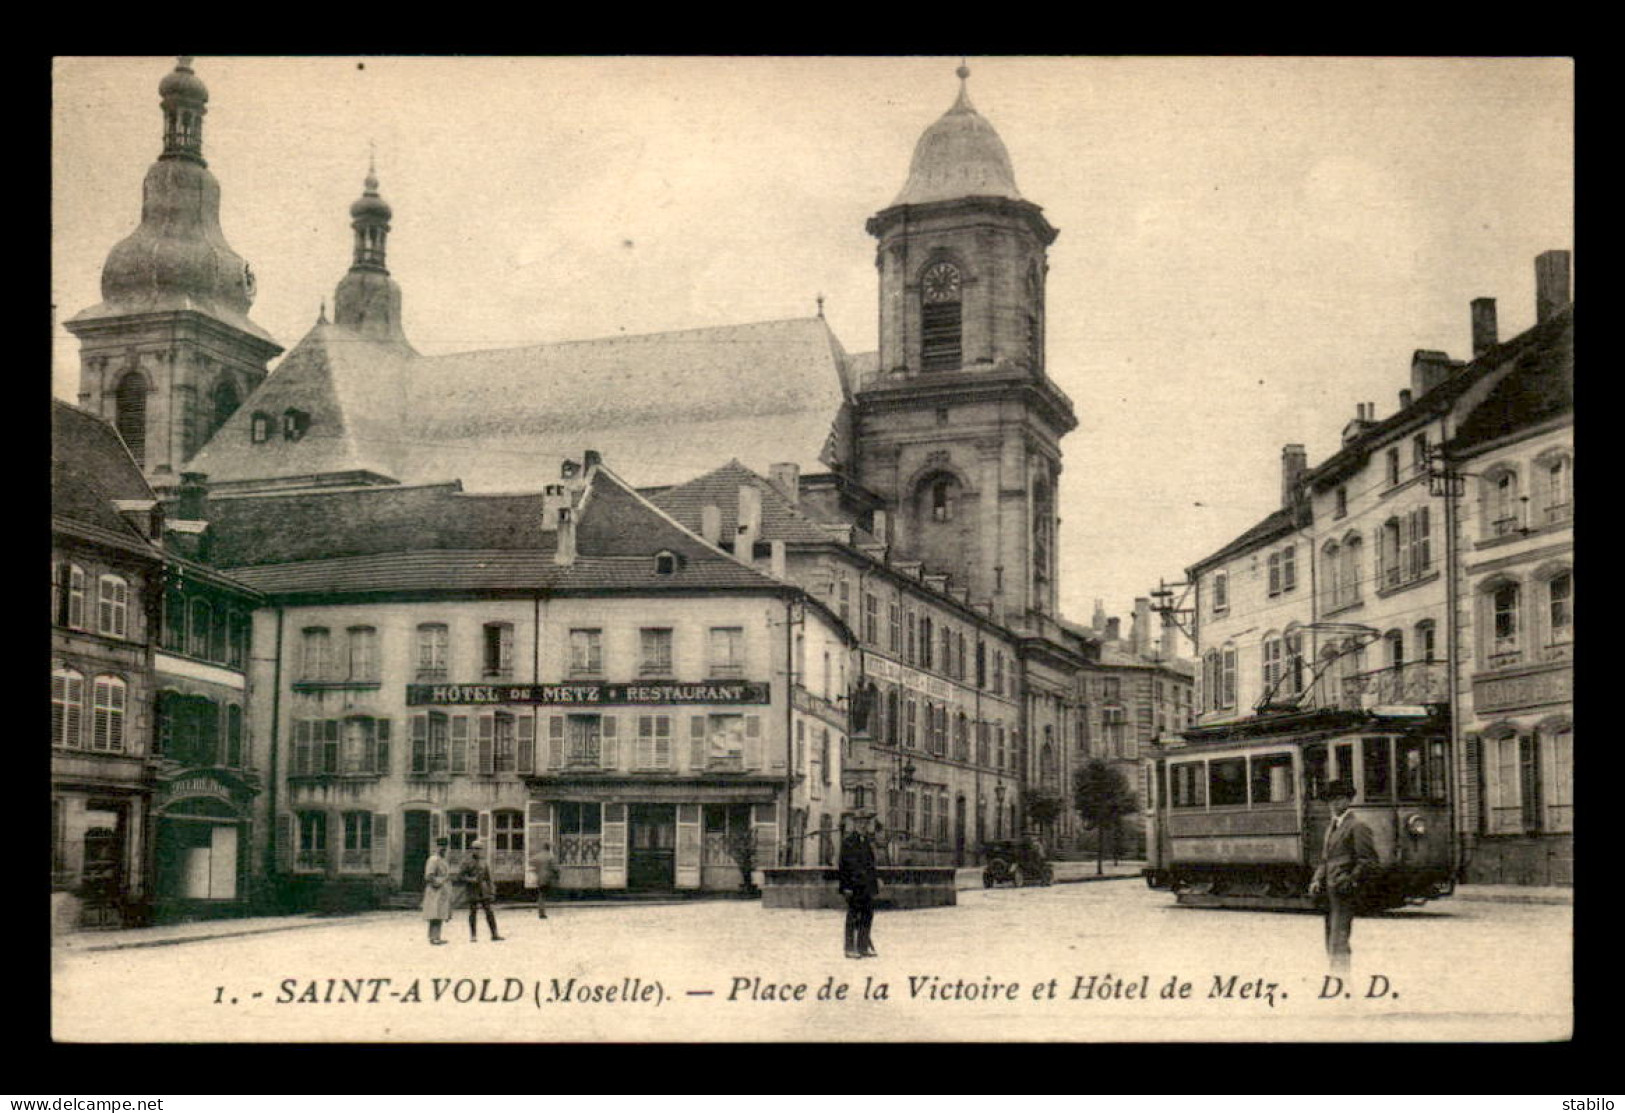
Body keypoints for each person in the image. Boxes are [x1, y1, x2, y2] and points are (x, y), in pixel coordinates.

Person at [1308, 779, 1379, 972]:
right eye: (1330, 800)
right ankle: (1336, 976)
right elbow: (1325, 859)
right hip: (1329, 890)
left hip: (1343, 890)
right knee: (1331, 937)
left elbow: (1368, 861)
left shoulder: (1357, 826)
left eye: (1338, 799)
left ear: (1348, 800)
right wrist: (1316, 879)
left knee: (1339, 938)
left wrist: (1349, 881)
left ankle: (1342, 979)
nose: (1333, 805)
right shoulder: (1332, 826)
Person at [837, 817, 881, 959]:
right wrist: (846, 886)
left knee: (867, 915)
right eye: (860, 822)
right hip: (854, 886)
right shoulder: (848, 842)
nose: (863, 825)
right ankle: (849, 948)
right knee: (853, 916)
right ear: (854, 824)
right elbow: (843, 867)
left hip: (867, 886)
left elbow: (870, 866)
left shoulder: (866, 842)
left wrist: (875, 881)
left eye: (866, 823)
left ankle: (863, 947)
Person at [457, 839, 504, 942]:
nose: (477, 851)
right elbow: (460, 876)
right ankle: (473, 936)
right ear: (471, 849)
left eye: (479, 849)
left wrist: (492, 890)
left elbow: (488, 877)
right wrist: (471, 879)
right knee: (473, 912)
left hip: (483, 890)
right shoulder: (466, 861)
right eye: (475, 849)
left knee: (489, 912)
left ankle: (494, 934)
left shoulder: (483, 861)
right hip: (472, 890)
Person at [422, 837, 453, 945]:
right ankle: (433, 937)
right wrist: (439, 882)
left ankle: (436, 936)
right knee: (434, 914)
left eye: (445, 846)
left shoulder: (443, 860)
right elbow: (429, 876)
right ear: (437, 847)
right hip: (435, 891)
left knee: (440, 914)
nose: (443, 848)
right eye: (441, 846)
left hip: (442, 891)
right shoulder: (433, 859)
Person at [528, 840, 558, 919]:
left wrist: (535, 869)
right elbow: (554, 868)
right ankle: (542, 913)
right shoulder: (550, 856)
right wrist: (556, 875)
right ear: (549, 848)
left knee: (541, 895)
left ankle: (541, 911)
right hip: (547, 878)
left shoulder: (538, 856)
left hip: (540, 878)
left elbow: (530, 861)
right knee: (543, 895)